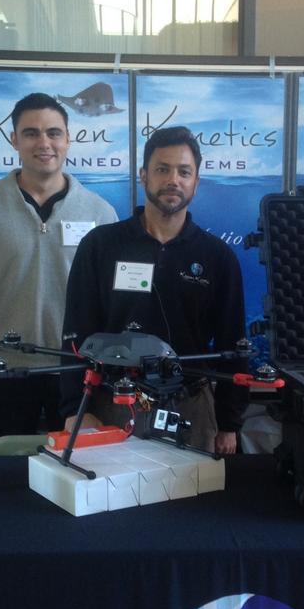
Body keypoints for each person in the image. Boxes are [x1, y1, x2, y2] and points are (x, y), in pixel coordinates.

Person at [60, 126, 248, 455]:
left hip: (191, 407)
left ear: (196, 182)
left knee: (194, 489)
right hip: (112, 404)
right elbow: (76, 332)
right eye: (162, 169)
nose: (173, 180)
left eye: (184, 172)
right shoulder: (101, 246)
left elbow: (233, 344)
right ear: (144, 175)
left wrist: (229, 422)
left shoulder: (218, 257)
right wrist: (76, 408)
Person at [0, 93, 117, 441]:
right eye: (31, 133)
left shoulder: (100, 213)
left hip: (78, 374)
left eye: (53, 133)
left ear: (68, 139)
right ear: (14, 139)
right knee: (7, 467)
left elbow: (110, 302)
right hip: (4, 373)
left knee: (76, 469)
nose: (44, 143)